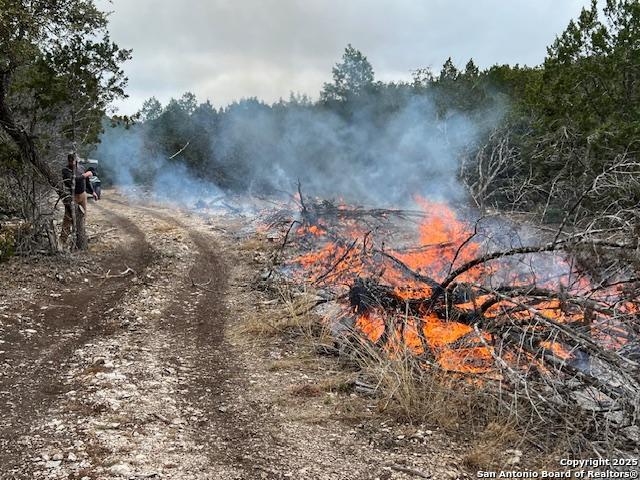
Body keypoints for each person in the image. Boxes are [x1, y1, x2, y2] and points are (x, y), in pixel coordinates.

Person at [60, 152, 97, 244]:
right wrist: (85, 175)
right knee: (68, 218)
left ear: (76, 160)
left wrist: (92, 191)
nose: (72, 163)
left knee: (82, 216)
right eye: (71, 161)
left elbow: (87, 181)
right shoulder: (65, 170)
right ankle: (62, 240)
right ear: (68, 160)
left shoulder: (81, 168)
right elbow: (72, 182)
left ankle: (80, 239)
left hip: (83, 195)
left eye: (74, 161)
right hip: (72, 196)